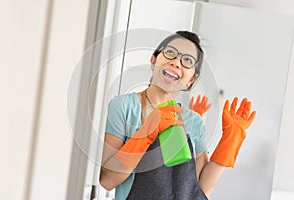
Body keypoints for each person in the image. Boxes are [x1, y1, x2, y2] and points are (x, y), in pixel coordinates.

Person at [99, 31, 256, 200]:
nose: (175, 63)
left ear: (191, 79)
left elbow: (199, 187)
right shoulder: (124, 107)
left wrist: (230, 141)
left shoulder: (193, 121)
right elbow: (107, 181)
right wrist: (147, 132)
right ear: (153, 60)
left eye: (187, 60)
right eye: (170, 52)